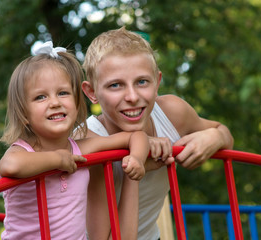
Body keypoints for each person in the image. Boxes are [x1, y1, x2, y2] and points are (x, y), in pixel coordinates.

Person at [81, 27, 234, 240]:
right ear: (91, 92)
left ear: (157, 82)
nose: (132, 96)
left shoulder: (172, 113)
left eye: (142, 82)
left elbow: (224, 133)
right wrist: (139, 153)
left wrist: (214, 137)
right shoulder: (88, 140)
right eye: (115, 85)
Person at [0, 41, 151, 240]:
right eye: (40, 97)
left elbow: (135, 136)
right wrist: (57, 160)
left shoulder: (80, 148)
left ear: (77, 104)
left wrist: (137, 158)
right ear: (23, 114)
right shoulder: (23, 151)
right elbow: (10, 166)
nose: (55, 102)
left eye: (63, 93)